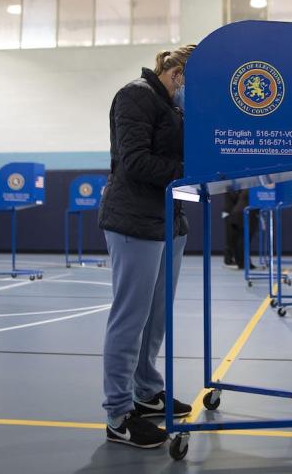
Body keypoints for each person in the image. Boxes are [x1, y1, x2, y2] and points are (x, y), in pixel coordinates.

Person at [98, 45, 195, 449]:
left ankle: (146, 390)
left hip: (169, 220)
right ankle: (119, 413)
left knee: (156, 318)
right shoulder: (135, 95)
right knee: (130, 319)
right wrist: (190, 171)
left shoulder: (175, 108)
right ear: (176, 74)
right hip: (134, 220)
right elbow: (135, 161)